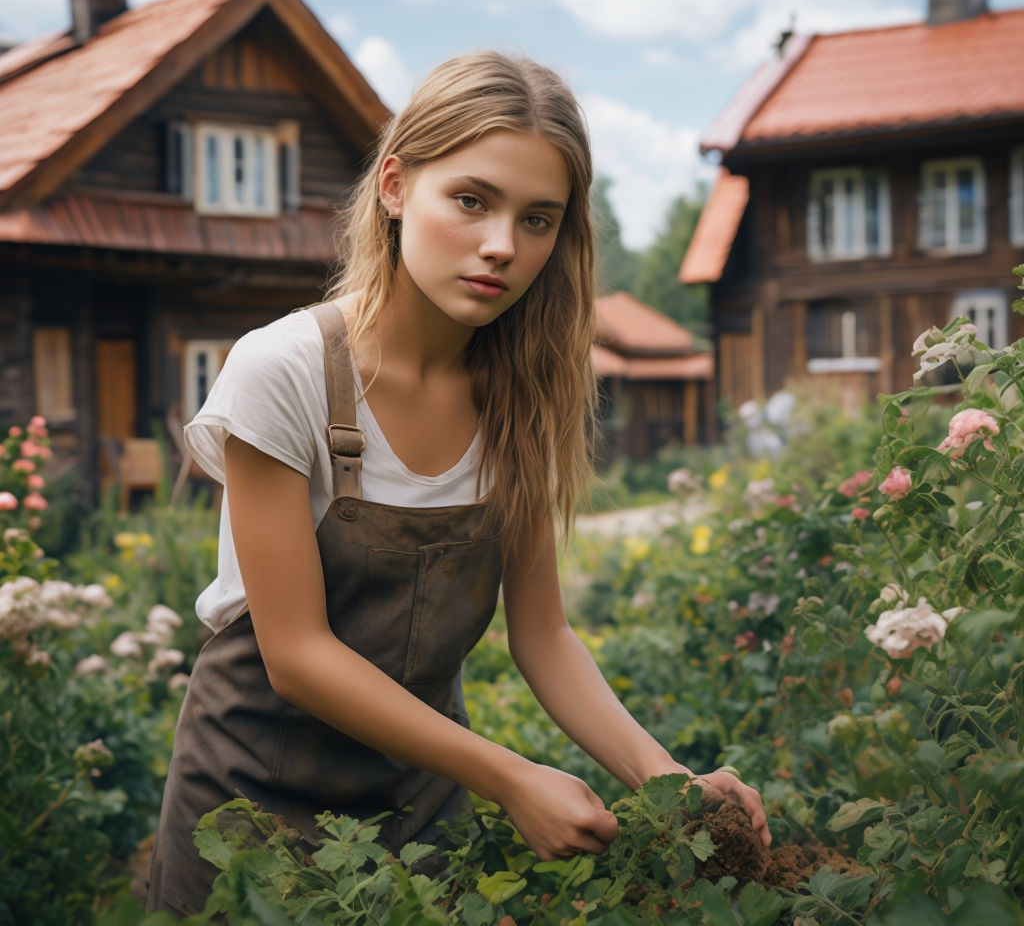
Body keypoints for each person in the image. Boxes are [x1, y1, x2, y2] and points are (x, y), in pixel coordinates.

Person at [146, 50, 770, 916]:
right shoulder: (284, 371)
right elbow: (296, 657)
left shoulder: (524, 394)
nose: (502, 247)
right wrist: (512, 779)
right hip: (251, 809)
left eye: (538, 219)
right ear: (397, 186)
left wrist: (669, 783)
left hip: (421, 805)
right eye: (471, 201)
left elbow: (543, 636)